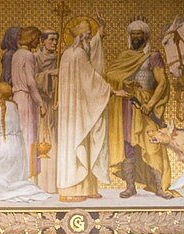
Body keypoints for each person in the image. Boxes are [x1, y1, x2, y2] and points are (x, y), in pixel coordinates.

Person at [105, 20, 171, 199]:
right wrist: (124, 84)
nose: (135, 37)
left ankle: (159, 186)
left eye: (139, 34)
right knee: (129, 144)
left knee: (152, 145)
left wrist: (150, 104)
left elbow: (162, 82)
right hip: (127, 106)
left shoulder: (153, 56)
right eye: (133, 34)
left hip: (146, 106)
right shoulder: (125, 56)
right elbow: (110, 76)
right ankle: (130, 186)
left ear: (146, 36)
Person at [56, 15, 111, 201]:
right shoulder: (77, 55)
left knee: (85, 143)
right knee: (77, 144)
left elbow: (91, 57)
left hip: (81, 107)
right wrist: (110, 91)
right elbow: (92, 78)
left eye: (90, 36)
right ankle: (72, 190)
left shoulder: (67, 54)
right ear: (80, 37)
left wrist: (99, 34)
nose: (89, 40)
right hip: (76, 110)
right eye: (86, 36)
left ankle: (88, 188)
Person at [11, 26, 44, 179]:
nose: (38, 42)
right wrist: (40, 102)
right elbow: (31, 82)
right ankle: (28, 175)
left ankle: (19, 173)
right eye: (37, 38)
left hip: (16, 97)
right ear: (31, 38)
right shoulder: (28, 55)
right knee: (29, 135)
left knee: (20, 135)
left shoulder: (16, 54)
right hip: (26, 99)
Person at [34, 29, 59, 193]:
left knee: (53, 139)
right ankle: (39, 182)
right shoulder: (35, 58)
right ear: (43, 41)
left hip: (53, 103)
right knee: (40, 138)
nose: (54, 43)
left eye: (56, 40)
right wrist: (50, 74)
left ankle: (52, 182)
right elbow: (33, 79)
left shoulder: (59, 58)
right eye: (51, 40)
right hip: (39, 103)